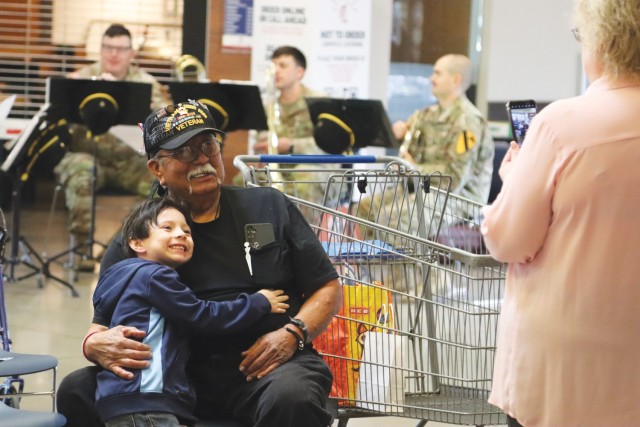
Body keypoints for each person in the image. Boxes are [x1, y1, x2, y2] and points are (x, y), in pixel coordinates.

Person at [57, 99, 342, 427]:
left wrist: (294, 333)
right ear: (156, 169)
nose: (203, 159)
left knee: (292, 397)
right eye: (185, 152)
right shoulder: (141, 233)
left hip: (270, 366)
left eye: (208, 145)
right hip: (171, 375)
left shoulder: (268, 205)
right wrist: (94, 344)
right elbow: (101, 321)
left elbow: (328, 287)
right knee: (77, 389)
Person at [481, 1, 640, 426]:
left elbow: (507, 239)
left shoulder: (561, 125)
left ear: (604, 41)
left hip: (565, 367)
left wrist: (512, 178)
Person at [93, 196, 289, 427]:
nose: (181, 234)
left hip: (121, 396)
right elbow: (203, 316)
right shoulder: (155, 276)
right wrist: (258, 303)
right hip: (148, 398)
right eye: (167, 227)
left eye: (187, 231)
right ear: (137, 243)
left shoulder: (120, 279)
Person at [54, 23, 172, 271]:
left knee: (159, 181)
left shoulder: (147, 84)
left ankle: (116, 247)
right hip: (88, 154)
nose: (114, 54)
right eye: (108, 47)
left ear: (132, 53)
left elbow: (165, 128)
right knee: (80, 170)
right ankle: (82, 251)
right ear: (100, 50)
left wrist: (151, 111)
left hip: (130, 160)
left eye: (120, 49)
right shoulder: (80, 79)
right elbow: (58, 122)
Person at [393, 53, 494, 207]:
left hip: (459, 201)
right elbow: (411, 149)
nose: (431, 79)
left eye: (438, 74)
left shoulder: (468, 120)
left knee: (396, 218)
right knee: (367, 208)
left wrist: (413, 169)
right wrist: (400, 136)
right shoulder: (426, 115)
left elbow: (454, 178)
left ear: (456, 80)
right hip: (425, 191)